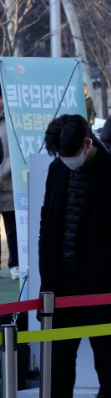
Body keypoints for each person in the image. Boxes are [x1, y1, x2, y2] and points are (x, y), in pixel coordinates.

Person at [26, 114, 111, 398]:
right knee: (59, 351)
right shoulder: (58, 169)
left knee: (105, 349)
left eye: (70, 153)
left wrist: (108, 261)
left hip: (98, 277)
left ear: (87, 143)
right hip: (60, 276)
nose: (66, 160)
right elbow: (48, 215)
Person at [0, 87, 16, 281]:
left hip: (8, 182)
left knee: (11, 227)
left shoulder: (11, 120)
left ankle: (15, 263)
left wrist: (4, 174)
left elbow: (11, 154)